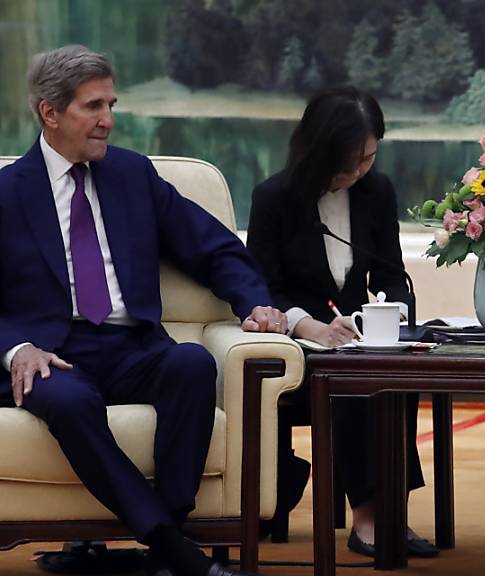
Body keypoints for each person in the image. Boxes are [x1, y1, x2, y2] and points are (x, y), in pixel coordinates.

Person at [0, 45, 288, 576]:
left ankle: (167, 539)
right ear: (50, 112)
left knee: (193, 364)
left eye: (111, 105)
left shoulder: (134, 176)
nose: (108, 120)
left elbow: (214, 247)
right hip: (52, 353)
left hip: (132, 346)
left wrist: (255, 302)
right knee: (68, 400)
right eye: (93, 107)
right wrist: (15, 348)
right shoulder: (6, 192)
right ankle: (173, 549)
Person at [246, 86, 439, 559]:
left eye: (368, 158)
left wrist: (390, 316)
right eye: (350, 162)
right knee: (353, 379)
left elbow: (392, 276)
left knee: (393, 372)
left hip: (357, 338)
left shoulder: (377, 191)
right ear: (319, 151)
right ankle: (369, 519)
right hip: (299, 347)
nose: (359, 171)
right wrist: (309, 327)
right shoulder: (274, 198)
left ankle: (392, 509)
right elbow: (263, 290)